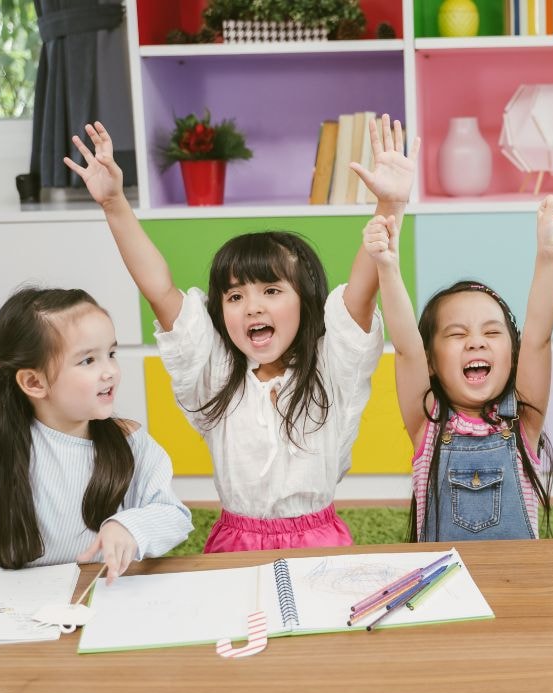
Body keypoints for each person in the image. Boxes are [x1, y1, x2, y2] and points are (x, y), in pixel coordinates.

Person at [66, 116, 417, 551]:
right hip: (236, 542)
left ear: (306, 304)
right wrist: (115, 203)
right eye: (234, 296)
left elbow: (363, 294)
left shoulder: (332, 369)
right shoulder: (215, 376)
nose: (252, 306)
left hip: (319, 541)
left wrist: (389, 204)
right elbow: (158, 288)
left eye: (271, 290)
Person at [0, 287, 192, 582]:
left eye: (111, 354)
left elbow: (174, 516)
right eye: (88, 360)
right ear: (34, 382)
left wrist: (131, 527)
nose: (110, 371)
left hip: (87, 599)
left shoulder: (131, 443)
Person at [363, 196, 553, 541]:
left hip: (517, 588)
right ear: (431, 362)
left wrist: (549, 253)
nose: (476, 342)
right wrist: (387, 266)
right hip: (445, 586)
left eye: (491, 332)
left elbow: (539, 337)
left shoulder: (524, 420)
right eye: (457, 334)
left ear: (513, 356)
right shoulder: (427, 422)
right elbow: (406, 349)